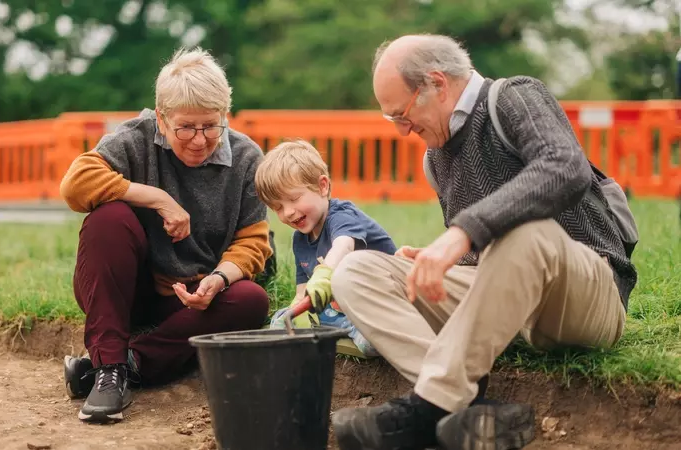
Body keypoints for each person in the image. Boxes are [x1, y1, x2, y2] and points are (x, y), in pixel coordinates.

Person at [329, 34, 638, 450]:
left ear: (437, 83)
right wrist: (447, 259)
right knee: (355, 271)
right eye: (392, 120)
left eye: (401, 114)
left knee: (526, 229)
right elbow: (493, 258)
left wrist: (462, 233)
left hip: (585, 294)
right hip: (515, 305)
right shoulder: (435, 157)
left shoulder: (514, 96)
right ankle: (468, 404)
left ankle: (426, 411)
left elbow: (565, 169)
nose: (402, 131)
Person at [58, 47, 273, 423]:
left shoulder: (246, 157)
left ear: (225, 116)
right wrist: (156, 197)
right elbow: (75, 185)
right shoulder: (134, 138)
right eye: (185, 127)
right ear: (161, 118)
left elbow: (254, 242)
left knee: (251, 299)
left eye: (211, 125)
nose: (199, 139)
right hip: (126, 290)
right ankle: (108, 370)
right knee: (108, 217)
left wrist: (219, 280)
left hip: (194, 299)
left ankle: (125, 364)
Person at [254, 139, 396, 358]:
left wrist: (324, 275)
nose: (288, 212)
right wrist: (297, 309)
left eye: (293, 199)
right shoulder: (300, 239)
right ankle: (335, 327)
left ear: (322, 186)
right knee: (280, 321)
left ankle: (372, 331)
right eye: (278, 208)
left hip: (378, 299)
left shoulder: (341, 216)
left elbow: (344, 245)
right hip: (339, 309)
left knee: (371, 342)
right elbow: (303, 289)